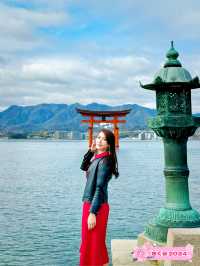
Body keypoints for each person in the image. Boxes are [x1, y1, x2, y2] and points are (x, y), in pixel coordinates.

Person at [79, 128, 119, 266]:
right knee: (88, 242)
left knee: (95, 244)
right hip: (89, 204)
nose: (99, 140)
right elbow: (84, 167)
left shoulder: (106, 162)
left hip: (97, 207)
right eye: (98, 137)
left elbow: (100, 188)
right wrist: (91, 151)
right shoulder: (97, 158)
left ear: (109, 144)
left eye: (103, 139)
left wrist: (93, 213)